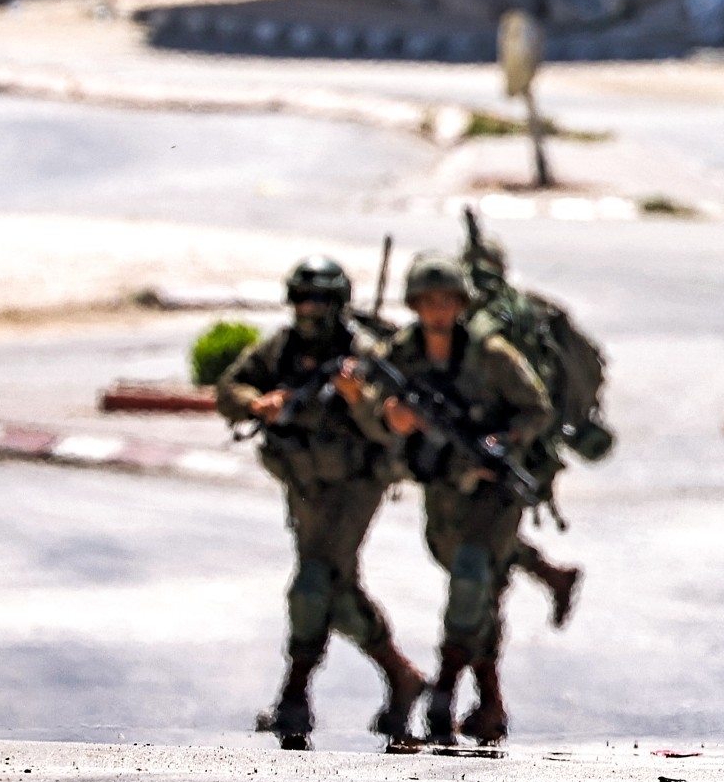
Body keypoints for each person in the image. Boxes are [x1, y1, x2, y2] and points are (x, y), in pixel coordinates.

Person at [216, 256, 424, 751]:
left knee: (314, 581)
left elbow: (389, 424)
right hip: (303, 483)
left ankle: (295, 693)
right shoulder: (282, 348)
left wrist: (358, 398)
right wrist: (254, 402)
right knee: (336, 588)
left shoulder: (363, 353)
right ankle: (401, 676)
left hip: (355, 485)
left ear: (337, 304)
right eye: (302, 300)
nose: (309, 310)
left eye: (319, 301)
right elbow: (230, 386)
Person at [353, 253, 553, 747]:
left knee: (471, 579)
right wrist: (390, 415)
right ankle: (491, 699)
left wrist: (500, 443)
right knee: (472, 584)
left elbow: (536, 408)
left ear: (460, 303)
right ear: (416, 305)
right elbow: (375, 397)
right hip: (443, 487)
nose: (437, 311)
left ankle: (444, 687)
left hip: (494, 492)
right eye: (427, 302)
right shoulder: (403, 351)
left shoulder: (491, 353)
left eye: (446, 301)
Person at [459, 234, 612, 629]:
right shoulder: (531, 309)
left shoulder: (487, 319)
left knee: (483, 552)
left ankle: (481, 657)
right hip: (532, 449)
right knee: (473, 540)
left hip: (513, 447)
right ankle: (550, 576)